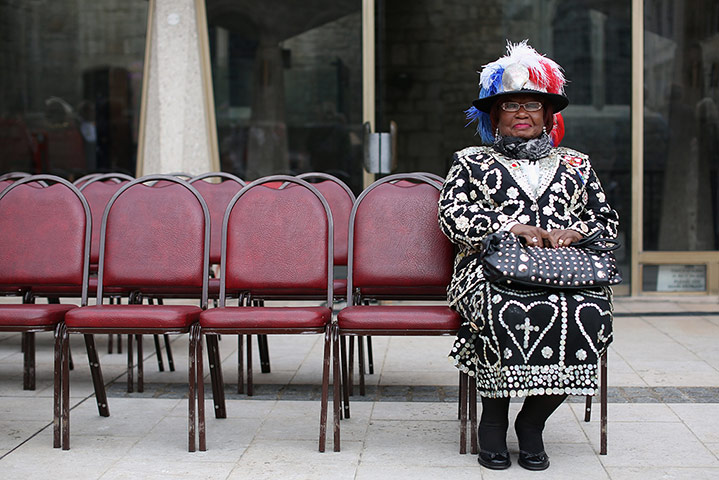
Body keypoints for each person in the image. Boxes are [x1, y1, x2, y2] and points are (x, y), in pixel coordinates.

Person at [439, 40, 619, 471]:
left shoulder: (577, 163)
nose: (523, 112)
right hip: (488, 271)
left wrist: (574, 232)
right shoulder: (471, 161)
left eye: (533, 105)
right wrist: (509, 228)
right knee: (504, 311)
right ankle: (494, 421)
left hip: (568, 274)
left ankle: (533, 422)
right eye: (512, 105)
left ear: (548, 115)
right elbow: (451, 215)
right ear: (496, 116)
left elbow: (606, 221)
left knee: (591, 315)